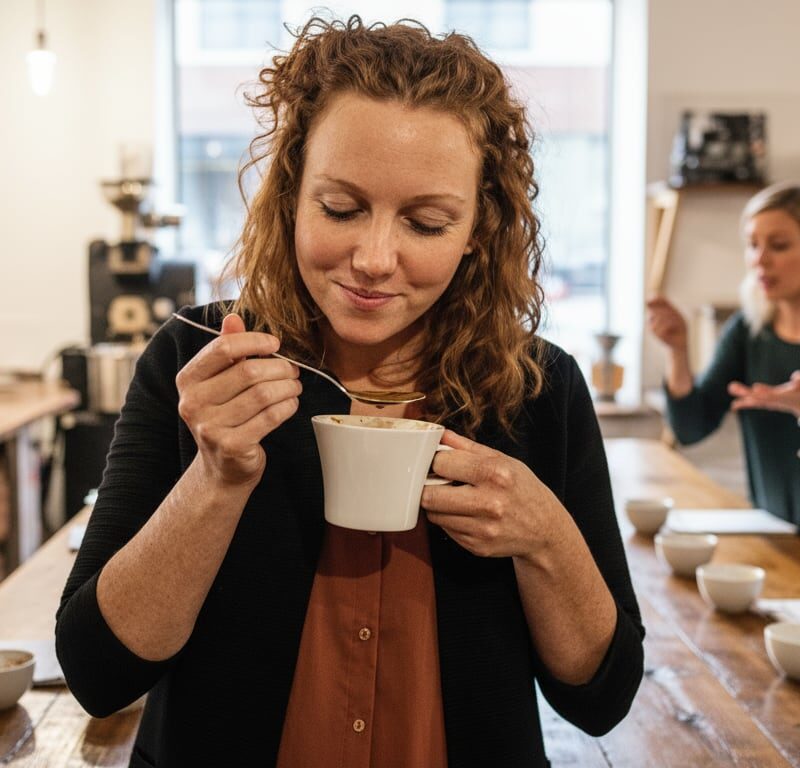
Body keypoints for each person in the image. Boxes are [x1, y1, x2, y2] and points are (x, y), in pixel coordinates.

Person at [56, 16, 644, 767]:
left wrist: (546, 537)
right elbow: (98, 674)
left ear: (477, 229)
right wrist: (215, 478)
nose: (374, 259)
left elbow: (601, 698)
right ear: (292, 195)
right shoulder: (201, 361)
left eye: (427, 222)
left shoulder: (538, 389)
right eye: (340, 209)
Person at [647, 182, 800, 525]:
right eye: (752, 245)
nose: (759, 259)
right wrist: (678, 351)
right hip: (775, 539)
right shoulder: (748, 331)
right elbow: (690, 426)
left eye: (778, 245)